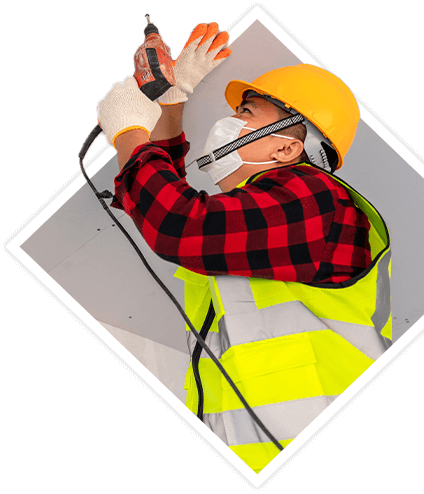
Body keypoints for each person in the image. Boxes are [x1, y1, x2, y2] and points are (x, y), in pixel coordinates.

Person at [97, 22, 392, 473]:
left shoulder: (316, 199)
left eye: (248, 113)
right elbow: (175, 205)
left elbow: (176, 224)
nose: (230, 122)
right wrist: (171, 108)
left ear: (287, 149)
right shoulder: (276, 218)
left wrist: (128, 132)